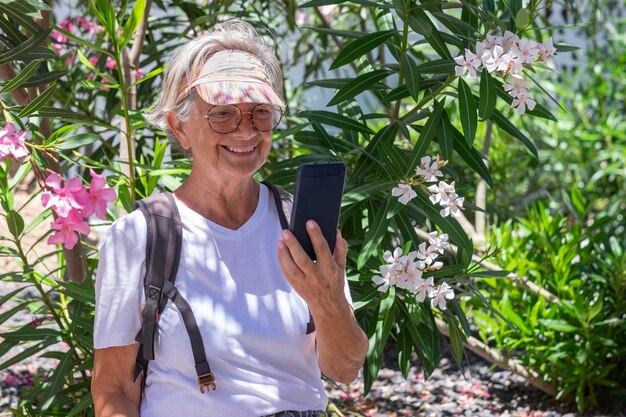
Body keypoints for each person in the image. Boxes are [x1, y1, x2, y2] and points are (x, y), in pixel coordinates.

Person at [91, 19, 368, 417]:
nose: (245, 130)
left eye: (260, 112)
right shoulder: (139, 237)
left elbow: (345, 368)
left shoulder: (297, 224)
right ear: (179, 127)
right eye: (222, 113)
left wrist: (327, 302)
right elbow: (114, 390)